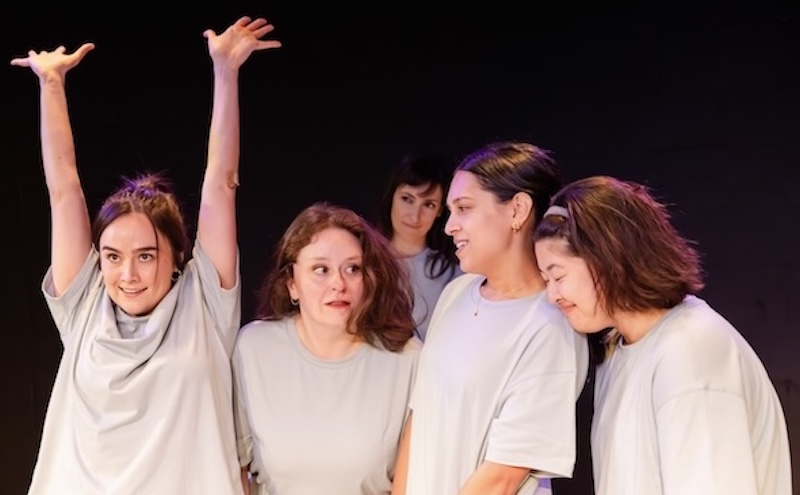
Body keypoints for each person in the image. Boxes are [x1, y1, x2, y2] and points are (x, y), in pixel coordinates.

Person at [11, 16, 281, 495]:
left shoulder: (203, 303)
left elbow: (222, 183)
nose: (128, 274)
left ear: (177, 256)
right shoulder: (85, 305)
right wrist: (51, 84)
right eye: (113, 256)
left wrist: (225, 72)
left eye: (146, 256)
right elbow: (63, 190)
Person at [533, 176, 792, 495]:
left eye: (558, 276)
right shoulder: (619, 351)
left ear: (608, 260)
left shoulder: (690, 349)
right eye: (545, 280)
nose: (552, 296)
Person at [393, 142, 589, 495]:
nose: (449, 226)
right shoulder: (457, 292)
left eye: (464, 208)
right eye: (450, 211)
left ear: (517, 210)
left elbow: (501, 478)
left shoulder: (551, 324)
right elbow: (418, 417)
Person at [233, 203, 420, 495]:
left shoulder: (407, 359)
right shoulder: (253, 349)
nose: (338, 284)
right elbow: (236, 470)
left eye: (352, 269)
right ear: (292, 284)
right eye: (321, 270)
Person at [376, 152, 462, 341]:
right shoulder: (363, 261)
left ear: (440, 210)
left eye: (428, 205)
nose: (415, 216)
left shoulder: (454, 276)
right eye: (407, 199)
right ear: (392, 196)